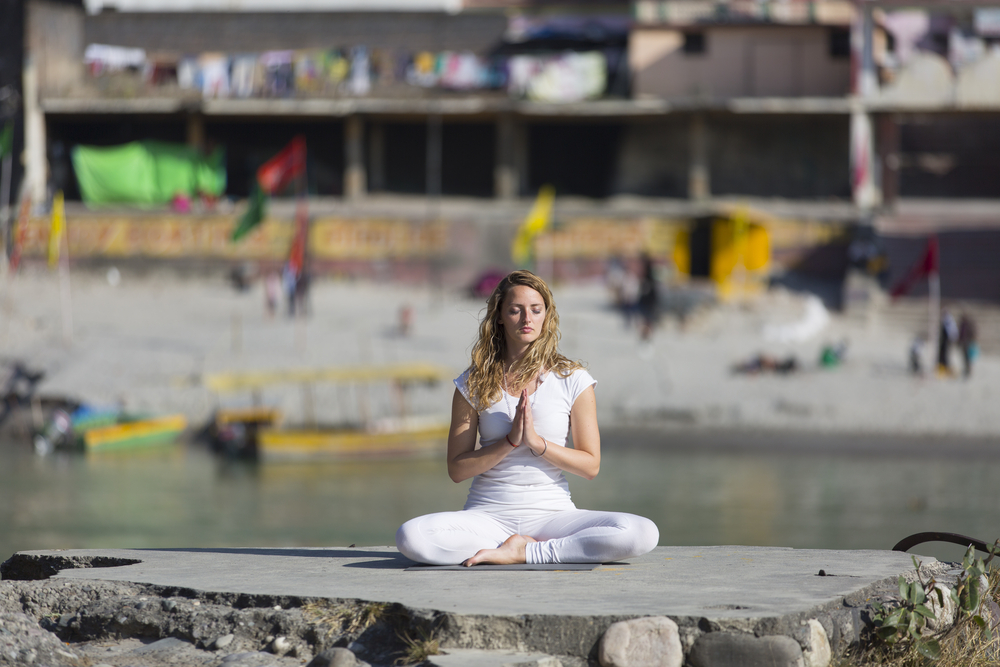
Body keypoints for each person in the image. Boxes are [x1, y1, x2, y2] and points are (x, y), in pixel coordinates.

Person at [395, 270, 659, 566]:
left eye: (536, 310)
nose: (526, 319)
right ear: (499, 316)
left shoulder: (573, 380)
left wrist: (537, 443)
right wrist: (509, 442)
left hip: (554, 517)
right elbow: (457, 470)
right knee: (411, 537)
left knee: (642, 533)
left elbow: (591, 466)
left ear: (547, 315)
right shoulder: (472, 383)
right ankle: (517, 547)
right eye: (515, 310)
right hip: (487, 517)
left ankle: (526, 551)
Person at [958, 313, 978, 379]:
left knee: (967, 358)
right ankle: (967, 370)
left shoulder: (967, 325)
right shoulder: (964, 325)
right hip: (965, 343)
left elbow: (969, 334)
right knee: (965, 358)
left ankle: (968, 370)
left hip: (967, 343)